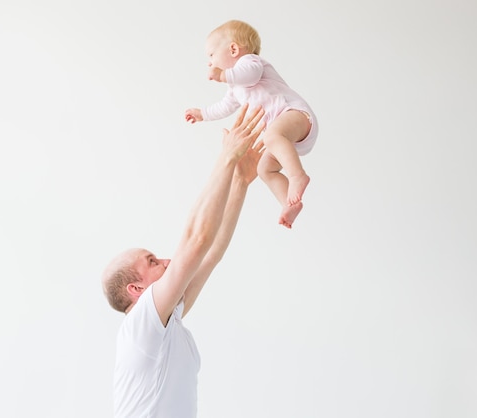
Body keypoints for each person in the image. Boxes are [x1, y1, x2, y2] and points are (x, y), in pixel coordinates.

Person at [101, 104, 265, 418]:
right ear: (137, 288)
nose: (165, 260)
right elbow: (196, 240)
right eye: (151, 261)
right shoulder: (143, 323)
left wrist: (241, 182)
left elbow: (211, 250)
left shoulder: (166, 321)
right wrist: (226, 157)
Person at [185, 19, 319, 228]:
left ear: (233, 49)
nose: (209, 62)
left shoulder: (251, 62)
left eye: (211, 55)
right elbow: (226, 105)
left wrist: (222, 75)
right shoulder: (235, 86)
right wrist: (203, 114)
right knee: (265, 169)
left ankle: (297, 175)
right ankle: (289, 203)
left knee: (271, 136)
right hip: (284, 137)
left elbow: (250, 75)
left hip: (295, 115)